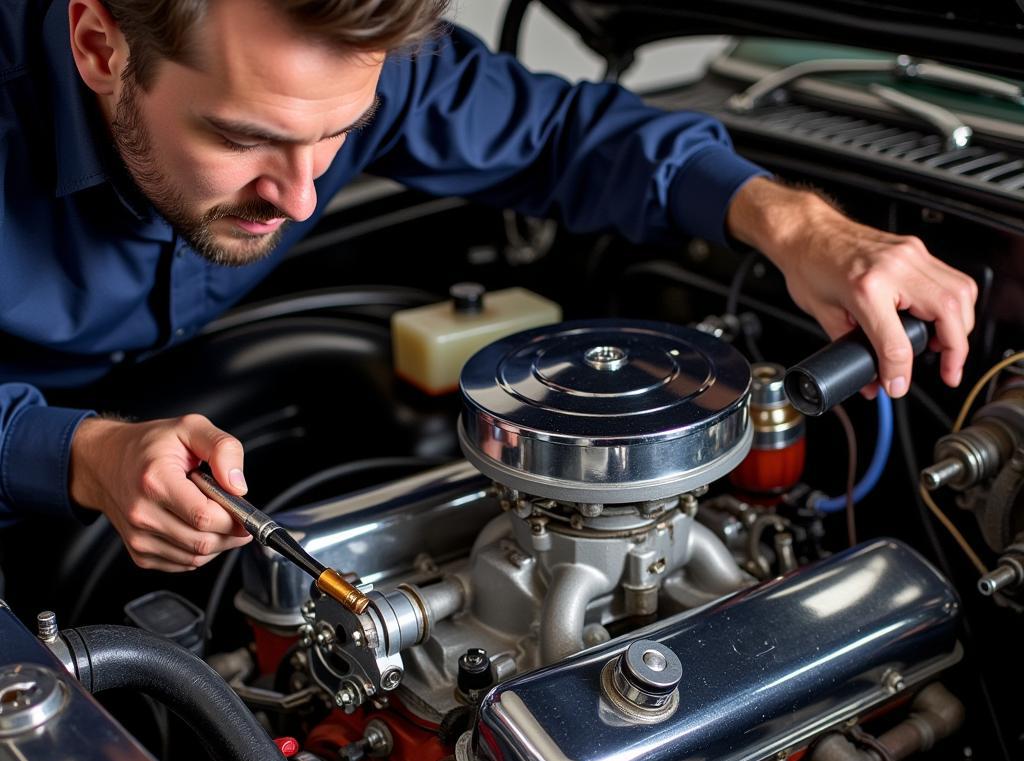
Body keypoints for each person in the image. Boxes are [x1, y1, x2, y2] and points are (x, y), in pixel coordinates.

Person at [0, 0, 976, 573]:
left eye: (337, 135)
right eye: (242, 139)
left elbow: (568, 135)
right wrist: (76, 451)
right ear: (99, 47)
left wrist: (799, 226)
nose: (299, 199)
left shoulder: (351, 61)